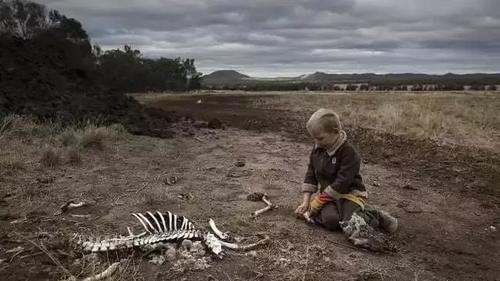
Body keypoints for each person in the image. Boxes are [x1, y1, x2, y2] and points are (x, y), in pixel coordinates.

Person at [294, 108, 398, 237]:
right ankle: (328, 215)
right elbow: (311, 174)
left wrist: (315, 203)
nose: (316, 143)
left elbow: (342, 183)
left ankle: (377, 215)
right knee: (330, 221)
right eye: (314, 139)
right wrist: (306, 202)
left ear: (335, 132)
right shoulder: (318, 149)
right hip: (329, 197)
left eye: (320, 138)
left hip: (350, 194)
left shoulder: (349, 152)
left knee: (351, 223)